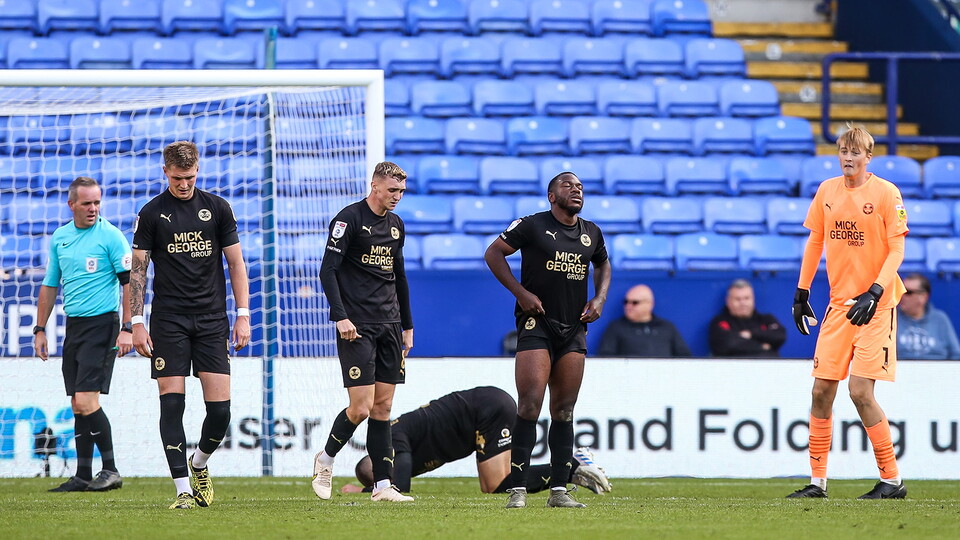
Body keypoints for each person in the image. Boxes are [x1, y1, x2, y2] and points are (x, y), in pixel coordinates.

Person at [788, 125, 909, 499]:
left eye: (855, 152)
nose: (848, 158)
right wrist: (802, 291)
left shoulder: (886, 193)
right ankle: (817, 483)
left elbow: (897, 250)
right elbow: (816, 240)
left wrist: (875, 291)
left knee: (860, 391)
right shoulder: (827, 191)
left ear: (868, 157)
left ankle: (892, 480)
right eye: (843, 151)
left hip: (876, 306)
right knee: (821, 390)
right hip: (839, 306)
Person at [130, 141, 251, 510]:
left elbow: (236, 264)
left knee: (221, 412)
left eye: (190, 178)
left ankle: (199, 464)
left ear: (198, 171)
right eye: (178, 178)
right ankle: (182, 490)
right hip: (169, 320)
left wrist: (243, 314)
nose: (184, 184)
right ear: (165, 172)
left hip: (212, 319)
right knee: (172, 405)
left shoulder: (218, 208)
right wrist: (136, 321)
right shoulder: (151, 213)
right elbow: (138, 271)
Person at [485, 171, 612, 509]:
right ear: (552, 196)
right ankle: (518, 490)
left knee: (564, 409)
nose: (577, 189)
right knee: (529, 404)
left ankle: (559, 491)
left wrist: (599, 299)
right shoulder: (532, 225)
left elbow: (603, 264)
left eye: (580, 186)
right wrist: (521, 292)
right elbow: (494, 253)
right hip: (537, 323)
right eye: (567, 185)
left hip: (574, 327)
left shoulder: (591, 232)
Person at [312, 161, 415, 503]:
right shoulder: (349, 219)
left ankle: (383, 486)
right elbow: (328, 271)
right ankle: (326, 459)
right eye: (392, 190)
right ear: (375, 186)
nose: (397, 196)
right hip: (357, 327)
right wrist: (340, 317)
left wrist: (407, 325)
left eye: (401, 191)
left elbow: (400, 276)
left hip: (390, 325)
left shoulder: (397, 225)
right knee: (361, 408)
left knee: (383, 408)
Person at [34, 177, 133, 493]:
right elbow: (50, 284)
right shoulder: (61, 237)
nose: (93, 208)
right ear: (72, 204)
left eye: (97, 202)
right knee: (77, 403)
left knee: (87, 400)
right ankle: (83, 474)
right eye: (87, 203)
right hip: (74, 326)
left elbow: (131, 284)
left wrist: (128, 327)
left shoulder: (111, 237)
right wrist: (39, 329)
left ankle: (111, 470)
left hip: (103, 325)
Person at [341, 386, 612, 496]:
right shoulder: (403, 452)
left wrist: (362, 491)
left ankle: (572, 464)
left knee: (493, 485)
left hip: (488, 410)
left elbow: (401, 487)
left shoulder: (392, 438)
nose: (386, 478)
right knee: (502, 484)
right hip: (487, 409)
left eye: (379, 476)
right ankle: (571, 469)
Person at [598, 284, 691, 357]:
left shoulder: (666, 327)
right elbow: (606, 358)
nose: (628, 306)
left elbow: (685, 357)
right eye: (626, 302)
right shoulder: (616, 327)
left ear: (650, 304)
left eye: (635, 302)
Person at [709, 279, 786, 357]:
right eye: (738, 299)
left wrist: (751, 334)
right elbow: (729, 343)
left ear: (753, 299)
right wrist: (762, 347)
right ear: (728, 301)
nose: (743, 303)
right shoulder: (720, 322)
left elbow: (779, 336)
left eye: (746, 298)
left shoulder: (766, 319)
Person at [896, 273, 960, 360]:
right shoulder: (892, 318)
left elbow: (956, 355)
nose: (901, 296)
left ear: (923, 297)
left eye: (908, 292)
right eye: (900, 291)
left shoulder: (940, 319)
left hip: (937, 367)